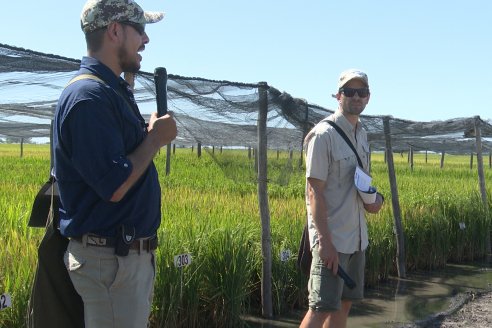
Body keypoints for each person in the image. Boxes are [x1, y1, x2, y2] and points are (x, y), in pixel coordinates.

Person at [53, 0, 177, 327]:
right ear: (115, 31)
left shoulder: (109, 91)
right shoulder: (88, 98)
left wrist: (148, 135)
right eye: (140, 30)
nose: (146, 40)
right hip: (112, 264)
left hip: (120, 262)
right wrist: (154, 140)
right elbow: (115, 185)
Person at [300, 69, 383, 328]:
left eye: (362, 92)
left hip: (356, 239)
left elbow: (360, 183)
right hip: (332, 240)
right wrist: (324, 242)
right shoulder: (324, 135)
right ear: (338, 96)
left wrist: (374, 199)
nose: (356, 97)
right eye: (349, 92)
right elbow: (314, 191)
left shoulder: (362, 134)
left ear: (368, 97)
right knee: (321, 307)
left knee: (344, 304)